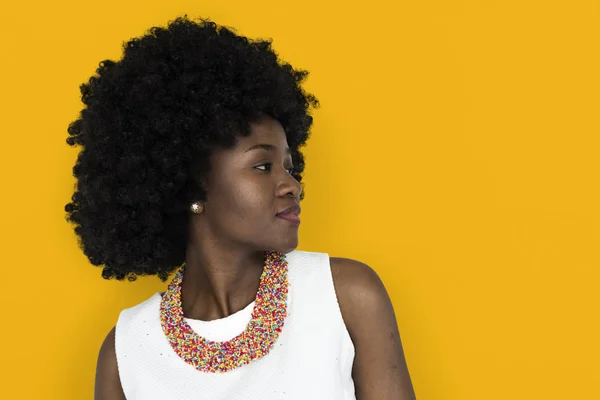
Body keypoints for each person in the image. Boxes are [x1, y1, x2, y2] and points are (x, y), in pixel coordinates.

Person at [65, 15, 416, 400]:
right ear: (191, 184)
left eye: (290, 167)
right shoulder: (127, 352)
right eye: (262, 166)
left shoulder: (344, 296)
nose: (292, 186)